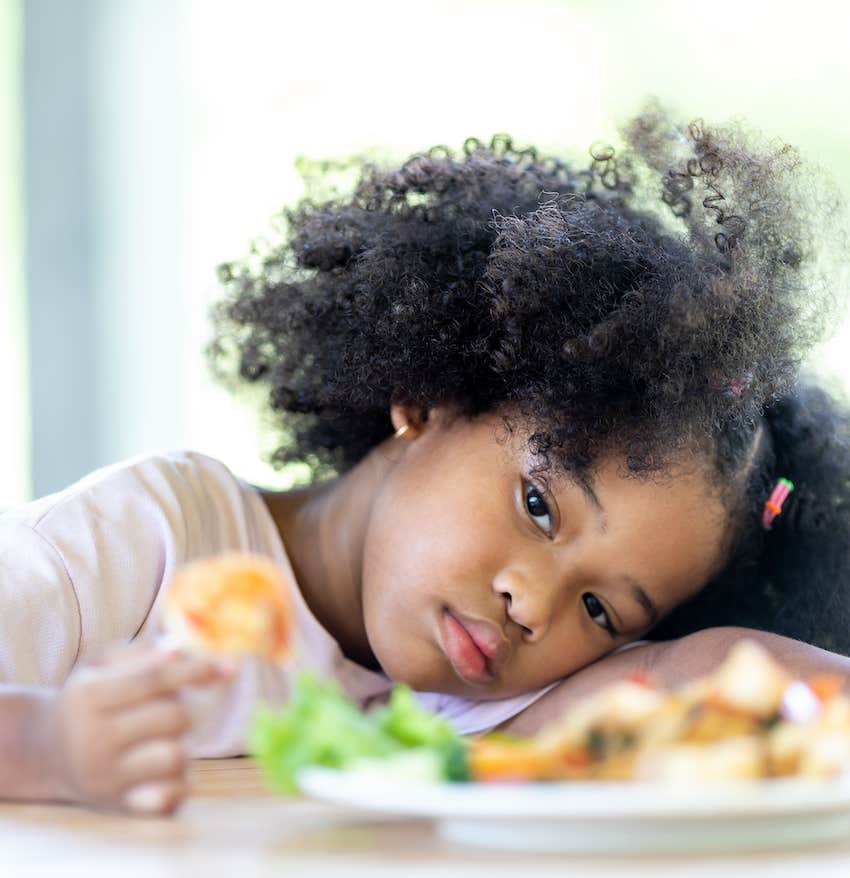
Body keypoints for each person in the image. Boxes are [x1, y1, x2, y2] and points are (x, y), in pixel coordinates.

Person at [3, 105, 850, 816]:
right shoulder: (147, 540)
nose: (533, 605)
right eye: (541, 507)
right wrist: (49, 749)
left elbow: (701, 670)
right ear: (425, 398)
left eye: (601, 609)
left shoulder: (484, 711)